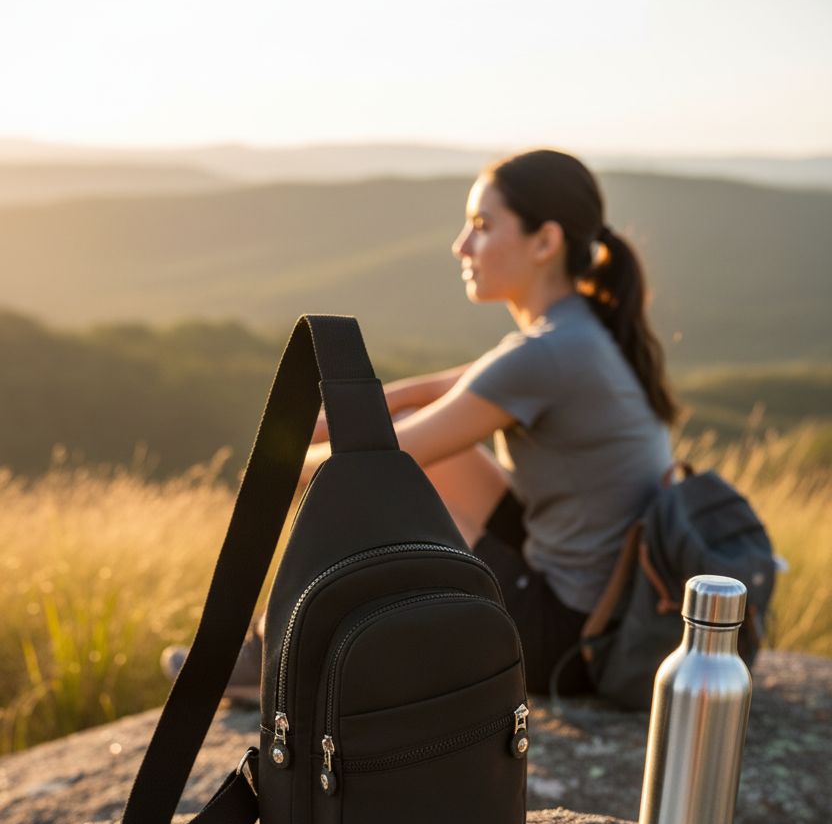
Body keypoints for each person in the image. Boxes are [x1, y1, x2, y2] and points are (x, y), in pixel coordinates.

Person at [164, 147, 678, 701]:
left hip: (563, 637)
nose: (461, 245)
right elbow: (435, 392)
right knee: (406, 435)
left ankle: (273, 657)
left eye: (482, 226)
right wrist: (319, 423)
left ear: (545, 242)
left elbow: (364, 465)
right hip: (589, 602)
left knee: (367, 478)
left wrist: (284, 471)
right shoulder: (576, 332)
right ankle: (278, 649)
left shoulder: (547, 354)